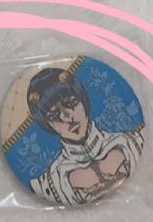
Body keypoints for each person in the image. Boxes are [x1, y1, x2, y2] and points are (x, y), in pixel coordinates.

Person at [26, 67, 144, 206]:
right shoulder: (50, 183)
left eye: (71, 103)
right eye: (53, 116)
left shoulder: (131, 142)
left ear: (83, 100)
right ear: (47, 125)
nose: (67, 117)